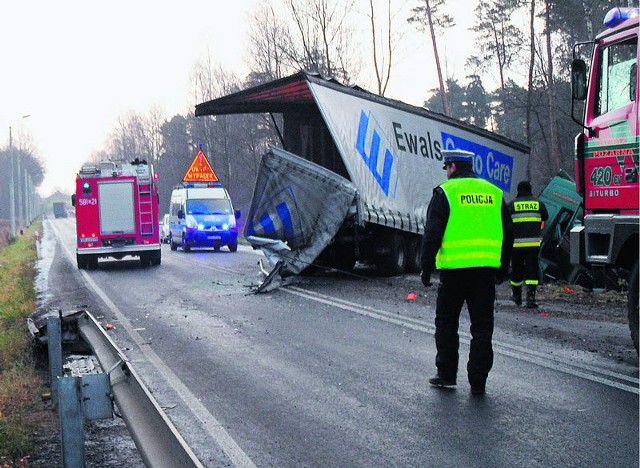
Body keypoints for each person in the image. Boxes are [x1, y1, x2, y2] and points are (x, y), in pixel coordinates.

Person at [420, 150, 513, 395]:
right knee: (482, 327)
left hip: (454, 274)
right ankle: (478, 381)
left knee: (447, 323)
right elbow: (508, 234)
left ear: (451, 167)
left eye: (446, 168)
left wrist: (426, 268)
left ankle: (447, 374)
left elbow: (432, 234)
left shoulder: (445, 193)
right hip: (485, 273)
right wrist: (503, 268)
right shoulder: (494, 193)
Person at [508, 180, 549, 308]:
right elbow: (545, 217)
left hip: (516, 246)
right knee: (532, 272)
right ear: (530, 190)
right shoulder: (538, 203)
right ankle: (530, 299)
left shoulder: (512, 205)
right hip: (533, 245)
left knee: (516, 271)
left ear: (518, 190)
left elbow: (506, 222)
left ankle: (517, 297)